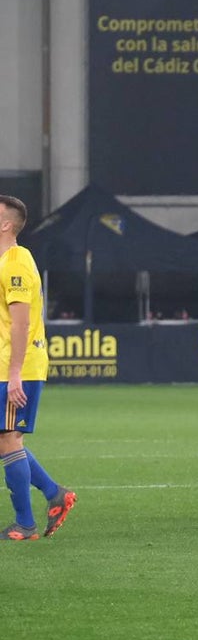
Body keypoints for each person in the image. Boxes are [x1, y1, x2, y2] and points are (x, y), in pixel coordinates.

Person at [0, 196, 76, 540]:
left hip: (16, 366)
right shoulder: (8, 260)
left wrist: (15, 373)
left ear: (7, 224)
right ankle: (55, 494)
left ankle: (25, 524)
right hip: (8, 363)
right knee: (4, 439)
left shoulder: (15, 264)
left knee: (8, 438)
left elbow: (21, 322)